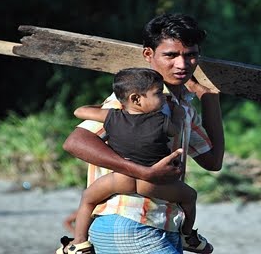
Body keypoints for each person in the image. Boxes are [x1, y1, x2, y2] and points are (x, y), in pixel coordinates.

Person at [61, 13, 225, 254]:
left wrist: (210, 99)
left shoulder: (184, 108)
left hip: (162, 226)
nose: (182, 65)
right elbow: (76, 141)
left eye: (190, 55)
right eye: (171, 55)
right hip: (131, 221)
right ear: (149, 54)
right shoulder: (137, 99)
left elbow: (213, 160)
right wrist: (143, 172)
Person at [58, 67, 209, 254]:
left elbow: (79, 111)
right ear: (136, 99)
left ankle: (78, 242)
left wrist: (106, 107)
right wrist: (177, 116)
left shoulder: (112, 116)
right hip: (152, 183)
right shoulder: (161, 121)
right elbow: (176, 131)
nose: (163, 98)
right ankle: (187, 235)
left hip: (118, 178)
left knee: (88, 199)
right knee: (190, 196)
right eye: (158, 94)